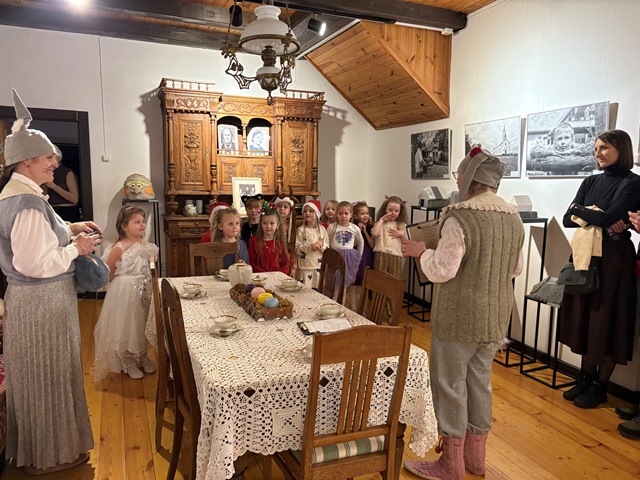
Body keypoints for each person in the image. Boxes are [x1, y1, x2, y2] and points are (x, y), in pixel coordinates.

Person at [402, 147, 524, 480]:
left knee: (449, 384)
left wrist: (421, 251)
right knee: (480, 383)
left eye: (459, 175)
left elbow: (442, 270)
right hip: (495, 317)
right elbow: (515, 268)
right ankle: (475, 460)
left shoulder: (461, 216)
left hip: (458, 317)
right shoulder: (513, 217)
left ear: (469, 178)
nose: (457, 181)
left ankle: (450, 464)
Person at [0, 89, 99, 474]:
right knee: (48, 379)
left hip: (38, 304)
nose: (55, 164)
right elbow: (35, 263)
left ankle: (47, 451)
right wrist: (77, 248)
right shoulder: (26, 202)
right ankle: (46, 458)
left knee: (46, 378)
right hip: (41, 305)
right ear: (26, 161)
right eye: (47, 159)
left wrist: (71, 227)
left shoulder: (22, 195)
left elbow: (41, 236)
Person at [559, 129, 640, 409]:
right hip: (585, 255)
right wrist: (598, 216)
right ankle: (585, 378)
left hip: (614, 259)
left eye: (604, 148)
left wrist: (584, 211)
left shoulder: (634, 183)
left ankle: (600, 386)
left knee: (606, 319)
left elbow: (605, 218)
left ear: (621, 149)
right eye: (596, 149)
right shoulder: (590, 180)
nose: (598, 154)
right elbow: (567, 218)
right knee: (585, 317)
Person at [93, 206, 159, 381]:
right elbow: (109, 272)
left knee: (142, 323)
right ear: (124, 226)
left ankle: (143, 355)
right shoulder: (120, 247)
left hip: (144, 290)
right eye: (137, 222)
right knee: (127, 325)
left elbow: (150, 268)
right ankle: (127, 359)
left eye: (143, 221)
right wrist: (120, 288)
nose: (142, 225)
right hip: (125, 291)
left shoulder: (146, 245)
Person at [327, 201, 363, 301]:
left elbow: (361, 242)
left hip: (348, 259)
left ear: (351, 214)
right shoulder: (332, 227)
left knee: (344, 285)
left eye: (346, 213)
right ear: (336, 214)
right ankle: (332, 303)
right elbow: (327, 241)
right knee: (334, 285)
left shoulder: (354, 228)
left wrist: (359, 255)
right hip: (335, 258)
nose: (343, 216)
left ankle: (341, 305)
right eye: (340, 213)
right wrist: (329, 254)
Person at [372, 195, 408, 280]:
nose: (393, 213)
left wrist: (401, 235)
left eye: (396, 211)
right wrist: (381, 220)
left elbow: (406, 242)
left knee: (393, 281)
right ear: (385, 209)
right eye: (390, 210)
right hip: (381, 254)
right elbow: (374, 234)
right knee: (379, 280)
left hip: (396, 256)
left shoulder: (402, 225)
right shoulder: (380, 223)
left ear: (400, 212)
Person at [248, 202, 290, 274]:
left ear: (277, 225)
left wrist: (279, 274)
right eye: (265, 223)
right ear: (261, 224)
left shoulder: (280, 242)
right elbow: (251, 262)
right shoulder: (255, 241)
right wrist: (266, 274)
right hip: (260, 277)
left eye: (272, 223)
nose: (268, 226)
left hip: (278, 277)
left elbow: (286, 263)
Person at [43, 145, 81, 222]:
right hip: (50, 209)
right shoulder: (44, 172)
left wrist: (54, 186)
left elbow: (74, 199)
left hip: (67, 210)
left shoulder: (67, 172)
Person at [295, 200, 328, 288]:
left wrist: (321, 245)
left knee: (318, 292)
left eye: (311, 211)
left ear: (316, 213)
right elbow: (297, 249)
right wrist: (310, 246)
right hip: (305, 268)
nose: (307, 213)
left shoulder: (322, 230)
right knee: (304, 291)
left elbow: (328, 249)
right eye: (305, 211)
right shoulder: (301, 230)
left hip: (318, 267)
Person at [351, 201, 375, 304]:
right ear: (356, 216)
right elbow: (353, 244)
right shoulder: (353, 227)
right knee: (354, 282)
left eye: (367, 213)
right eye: (362, 213)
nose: (365, 216)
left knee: (365, 282)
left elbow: (372, 245)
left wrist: (365, 231)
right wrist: (359, 231)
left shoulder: (371, 228)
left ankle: (363, 307)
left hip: (367, 257)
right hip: (357, 256)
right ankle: (353, 306)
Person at [274, 196, 297, 276]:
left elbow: (293, 248)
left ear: (290, 211)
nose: (282, 209)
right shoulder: (271, 224)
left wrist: (293, 267)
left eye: (285, 207)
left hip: (287, 257)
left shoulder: (291, 227)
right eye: (279, 206)